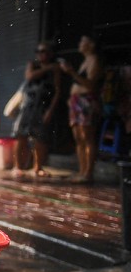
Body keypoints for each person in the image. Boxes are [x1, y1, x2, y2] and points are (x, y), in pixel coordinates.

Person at [12, 42, 62, 177]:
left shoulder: (55, 69)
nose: (41, 55)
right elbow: (29, 76)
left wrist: (50, 110)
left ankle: (38, 167)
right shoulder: (33, 64)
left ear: (50, 54)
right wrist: (48, 68)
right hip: (28, 105)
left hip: (43, 106)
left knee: (41, 138)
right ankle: (18, 166)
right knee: (21, 135)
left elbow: (58, 91)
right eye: (38, 52)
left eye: (44, 52)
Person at [59, 35, 103, 184]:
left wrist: (71, 72)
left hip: (87, 101)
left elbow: (90, 85)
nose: (80, 43)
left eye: (83, 41)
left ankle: (88, 173)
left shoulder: (95, 60)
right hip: (76, 102)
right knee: (78, 138)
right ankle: (82, 171)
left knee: (88, 137)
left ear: (91, 44)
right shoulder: (84, 61)